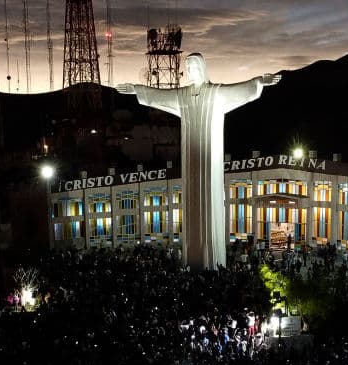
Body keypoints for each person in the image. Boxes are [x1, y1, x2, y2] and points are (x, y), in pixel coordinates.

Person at [117, 53, 281, 269]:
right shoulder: (183, 95)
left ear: (202, 68)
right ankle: (194, 260)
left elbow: (239, 89)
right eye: (187, 67)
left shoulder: (215, 93)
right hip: (191, 165)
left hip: (209, 161)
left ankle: (211, 262)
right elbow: (159, 95)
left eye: (193, 67)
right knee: (193, 203)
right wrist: (138, 90)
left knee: (208, 206)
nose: (190, 71)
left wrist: (258, 82)